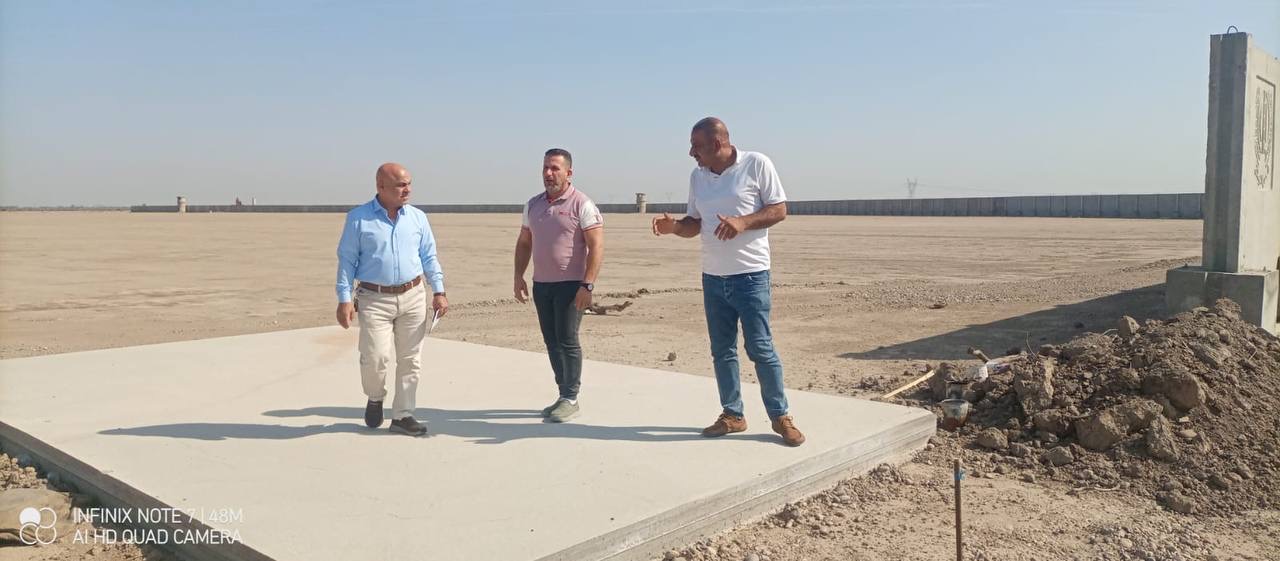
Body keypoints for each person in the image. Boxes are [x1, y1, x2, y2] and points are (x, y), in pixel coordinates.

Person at [651, 117, 805, 446]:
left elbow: (779, 209)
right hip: (712, 277)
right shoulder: (698, 176)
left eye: (697, 146)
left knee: (760, 348)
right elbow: (695, 223)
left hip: (751, 276)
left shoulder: (756, 164)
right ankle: (733, 414)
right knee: (722, 351)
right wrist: (675, 227)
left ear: (718, 144)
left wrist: (743, 222)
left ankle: (780, 416)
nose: (691, 153)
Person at [335, 162, 448, 437]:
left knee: (411, 360)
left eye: (409, 184)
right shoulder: (358, 219)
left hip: (413, 295)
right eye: (400, 185)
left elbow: (429, 256)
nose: (407, 190)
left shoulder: (418, 218)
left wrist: (439, 291)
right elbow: (347, 260)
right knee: (375, 357)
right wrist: (344, 298)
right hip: (374, 298)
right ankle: (375, 397)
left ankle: (402, 416)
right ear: (381, 186)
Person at [513, 148, 604, 423]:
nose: (548, 173)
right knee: (551, 341)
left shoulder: (582, 204)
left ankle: (571, 398)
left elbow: (596, 246)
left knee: (567, 339)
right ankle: (563, 393)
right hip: (542, 285)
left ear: (568, 173)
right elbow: (525, 243)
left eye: (554, 168)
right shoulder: (533, 205)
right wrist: (518, 276)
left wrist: (587, 286)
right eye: (545, 168)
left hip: (571, 285)